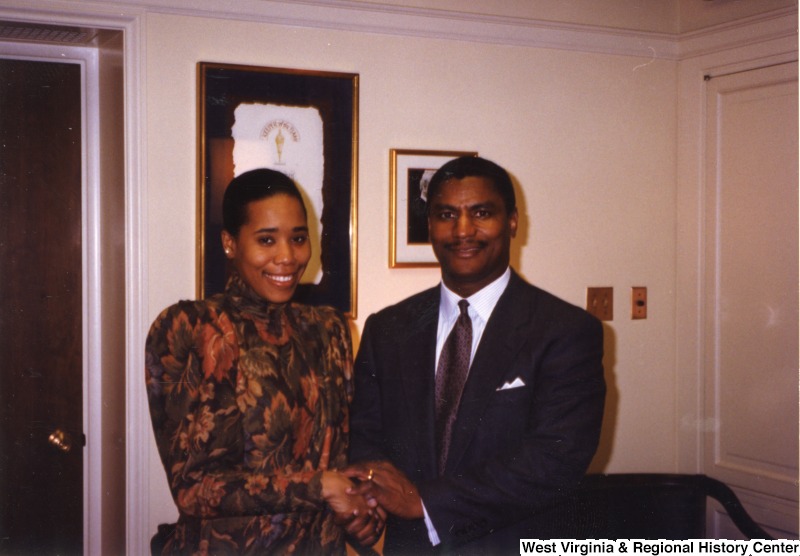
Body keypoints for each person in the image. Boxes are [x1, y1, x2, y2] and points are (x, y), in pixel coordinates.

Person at [346, 156, 606, 554]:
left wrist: (425, 502)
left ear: (513, 221)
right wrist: (368, 503)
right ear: (429, 225)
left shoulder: (565, 331)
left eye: (481, 213)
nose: (462, 230)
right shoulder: (387, 328)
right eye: (446, 214)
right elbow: (365, 439)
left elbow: (555, 461)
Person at [145, 168, 382, 555]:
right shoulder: (194, 327)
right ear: (229, 243)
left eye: (298, 238)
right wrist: (320, 486)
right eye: (266, 240)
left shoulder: (329, 329)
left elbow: (341, 451)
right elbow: (194, 491)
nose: (287, 257)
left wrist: (362, 506)